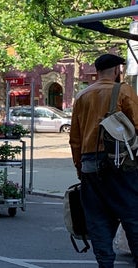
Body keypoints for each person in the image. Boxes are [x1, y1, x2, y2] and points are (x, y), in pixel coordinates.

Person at [69, 53, 138, 267]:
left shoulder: (82, 96)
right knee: (131, 215)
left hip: (90, 165)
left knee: (97, 219)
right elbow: (136, 125)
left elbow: (75, 138)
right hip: (120, 163)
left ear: (97, 72)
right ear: (117, 70)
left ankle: (105, 263)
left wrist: (79, 167)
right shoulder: (124, 91)